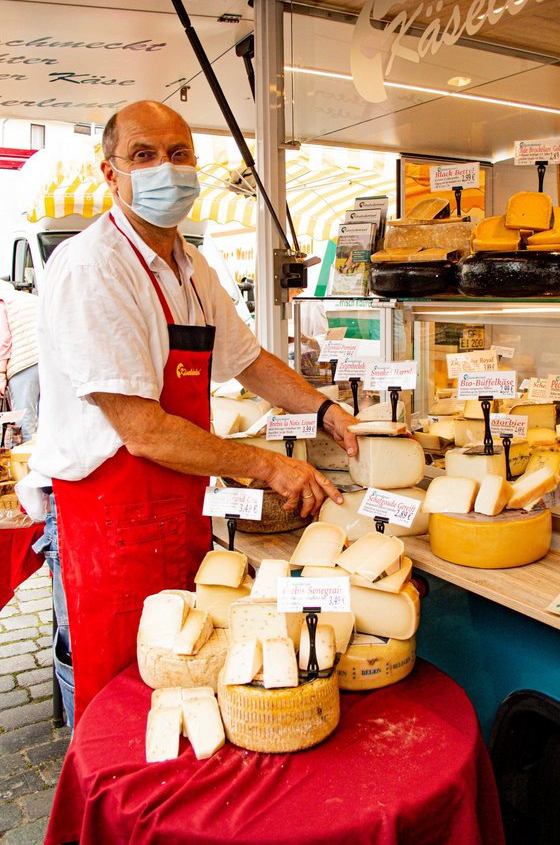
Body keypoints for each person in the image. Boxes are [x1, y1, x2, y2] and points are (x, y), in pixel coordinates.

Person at [29, 100, 358, 726]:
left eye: (179, 154)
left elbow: (250, 360)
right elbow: (143, 430)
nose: (165, 169)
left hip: (179, 508)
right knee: (125, 700)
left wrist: (324, 410)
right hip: (113, 518)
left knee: (188, 684)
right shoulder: (93, 267)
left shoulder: (191, 265)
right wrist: (268, 467)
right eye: (143, 156)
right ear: (110, 174)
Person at [0, 279, 40, 442]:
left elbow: (3, 340)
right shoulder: (28, 299)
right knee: (47, 417)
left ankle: (26, 461)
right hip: (49, 358)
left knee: (24, 420)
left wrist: (1, 372)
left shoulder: (3, 303)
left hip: (24, 363)